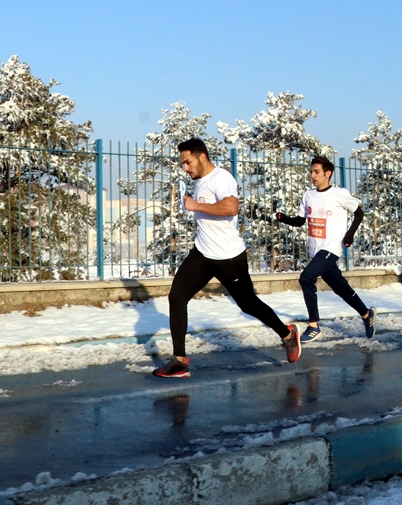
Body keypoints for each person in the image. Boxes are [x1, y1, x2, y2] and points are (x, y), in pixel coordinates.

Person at [152, 138, 301, 378]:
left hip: (228, 257)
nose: (185, 168)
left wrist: (195, 206)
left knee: (248, 304)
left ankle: (287, 334)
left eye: (187, 162)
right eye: (182, 164)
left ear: (202, 157)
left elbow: (231, 208)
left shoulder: (221, 178)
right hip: (202, 252)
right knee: (177, 296)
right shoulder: (200, 181)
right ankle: (179, 361)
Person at [275, 155, 376, 342]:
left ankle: (313, 326)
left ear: (327, 173)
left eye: (317, 172)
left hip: (331, 248)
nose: (312, 175)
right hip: (316, 250)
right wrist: (284, 218)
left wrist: (349, 235)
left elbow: (359, 213)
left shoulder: (339, 194)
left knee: (306, 277)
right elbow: (300, 221)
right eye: (311, 171)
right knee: (340, 287)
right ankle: (366, 314)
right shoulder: (308, 195)